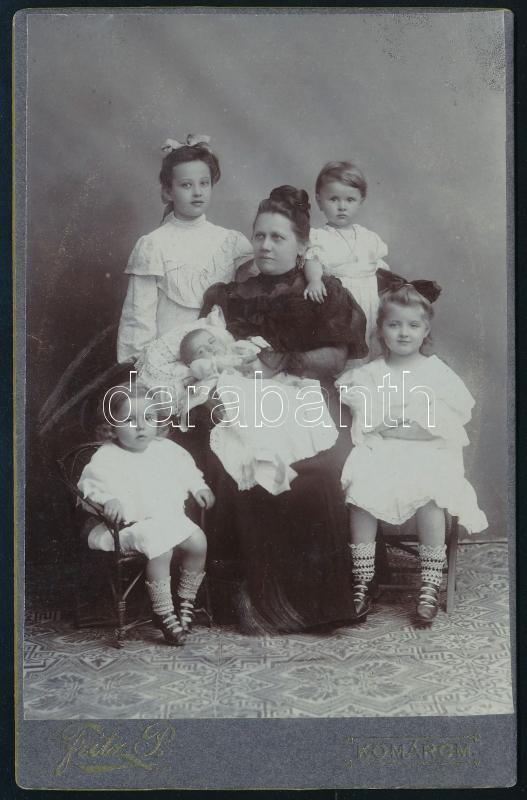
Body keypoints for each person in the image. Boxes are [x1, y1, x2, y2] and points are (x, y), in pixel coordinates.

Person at [198, 185, 369, 633]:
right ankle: (249, 599)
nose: (266, 245)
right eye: (259, 236)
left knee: (317, 470)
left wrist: (280, 363)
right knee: (236, 463)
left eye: (278, 237)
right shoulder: (232, 295)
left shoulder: (322, 291)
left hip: (311, 395)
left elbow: (335, 357)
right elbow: (211, 348)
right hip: (244, 396)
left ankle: (315, 603)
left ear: (301, 246)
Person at [337, 279, 488, 624]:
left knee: (430, 495)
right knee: (361, 489)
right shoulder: (370, 375)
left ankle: (430, 583)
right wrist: (397, 423)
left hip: (430, 452)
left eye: (413, 325)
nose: (404, 333)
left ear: (425, 330)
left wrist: (396, 424)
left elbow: (440, 425)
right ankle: (363, 580)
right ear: (380, 329)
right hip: (382, 452)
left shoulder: (437, 373)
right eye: (394, 325)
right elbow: (368, 422)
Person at [77, 390, 215, 645]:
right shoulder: (106, 456)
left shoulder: (167, 450)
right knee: (159, 547)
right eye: (130, 420)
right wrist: (110, 500)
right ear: (111, 427)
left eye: (149, 418)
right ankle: (163, 612)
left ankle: (185, 601)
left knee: (198, 541)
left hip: (166, 519)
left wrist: (199, 488)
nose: (141, 426)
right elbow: (92, 487)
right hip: (129, 527)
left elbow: (187, 472)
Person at [117, 134, 253, 364]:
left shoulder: (231, 242)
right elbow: (138, 316)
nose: (197, 192)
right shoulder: (153, 244)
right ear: (168, 191)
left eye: (204, 183)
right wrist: (141, 364)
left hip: (220, 354)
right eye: (186, 185)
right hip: (168, 356)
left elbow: (252, 302)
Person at [303, 161, 390, 351]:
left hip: (369, 298)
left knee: (371, 340)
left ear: (361, 201)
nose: (342, 206)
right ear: (319, 201)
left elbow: (381, 269)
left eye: (350, 200)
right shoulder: (320, 237)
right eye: (333, 199)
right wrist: (315, 280)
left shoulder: (369, 237)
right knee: (345, 346)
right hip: (341, 303)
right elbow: (312, 260)